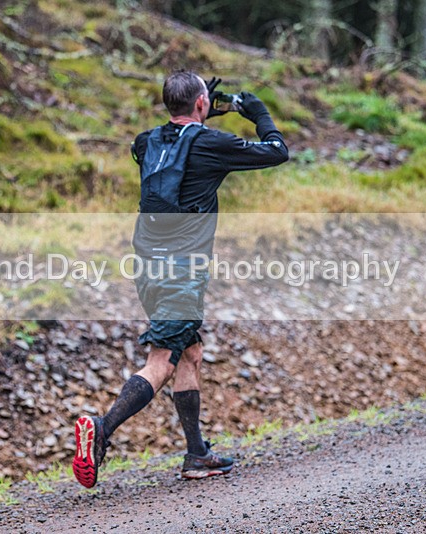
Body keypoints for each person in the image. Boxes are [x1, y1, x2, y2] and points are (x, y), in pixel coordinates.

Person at [72, 70, 289, 488]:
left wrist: (201, 111)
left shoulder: (145, 142)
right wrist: (257, 112)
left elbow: (178, 141)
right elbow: (277, 151)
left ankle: (196, 454)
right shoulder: (211, 143)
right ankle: (101, 428)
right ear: (202, 104)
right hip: (182, 272)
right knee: (162, 360)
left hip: (147, 266)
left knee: (190, 352)